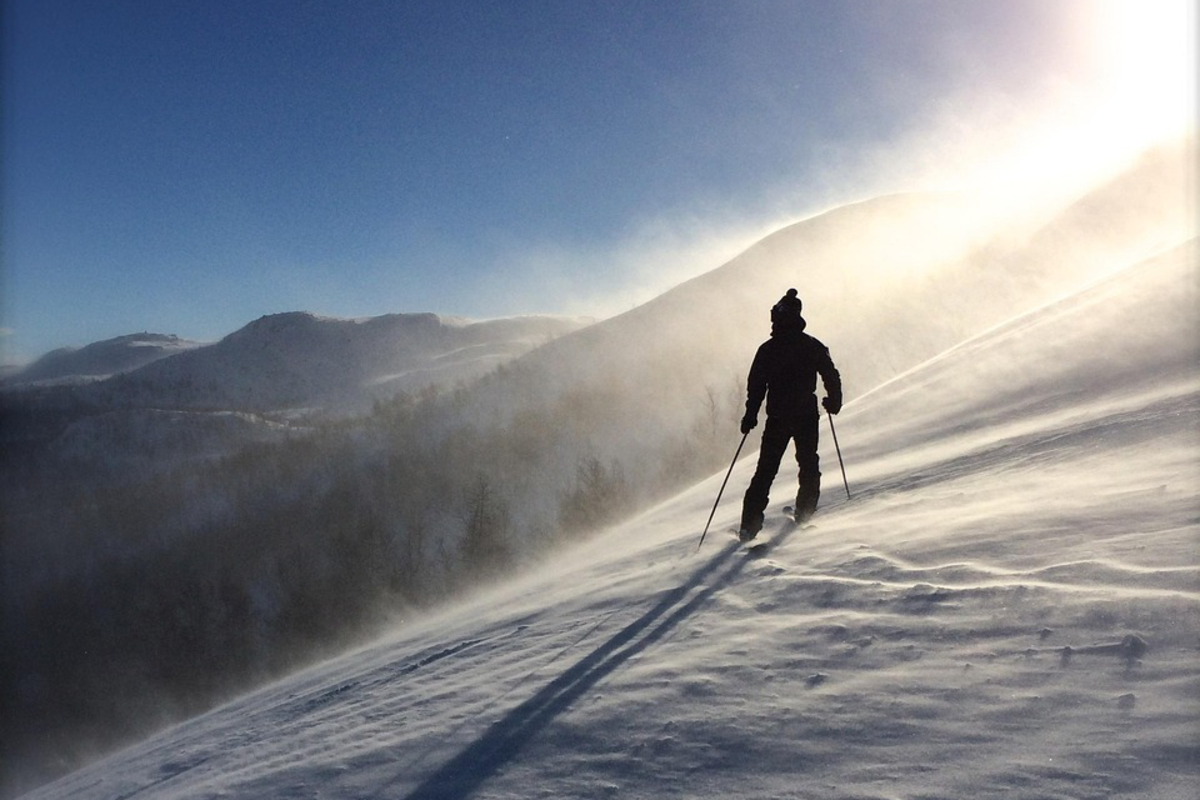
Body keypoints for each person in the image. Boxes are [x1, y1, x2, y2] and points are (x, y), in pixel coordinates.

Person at [738, 288, 842, 541]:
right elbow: (830, 374)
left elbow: (757, 386)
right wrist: (834, 401)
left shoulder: (768, 349)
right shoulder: (812, 345)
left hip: (778, 418)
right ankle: (804, 513)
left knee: (765, 470)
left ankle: (749, 527)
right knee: (808, 464)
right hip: (806, 415)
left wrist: (751, 415)